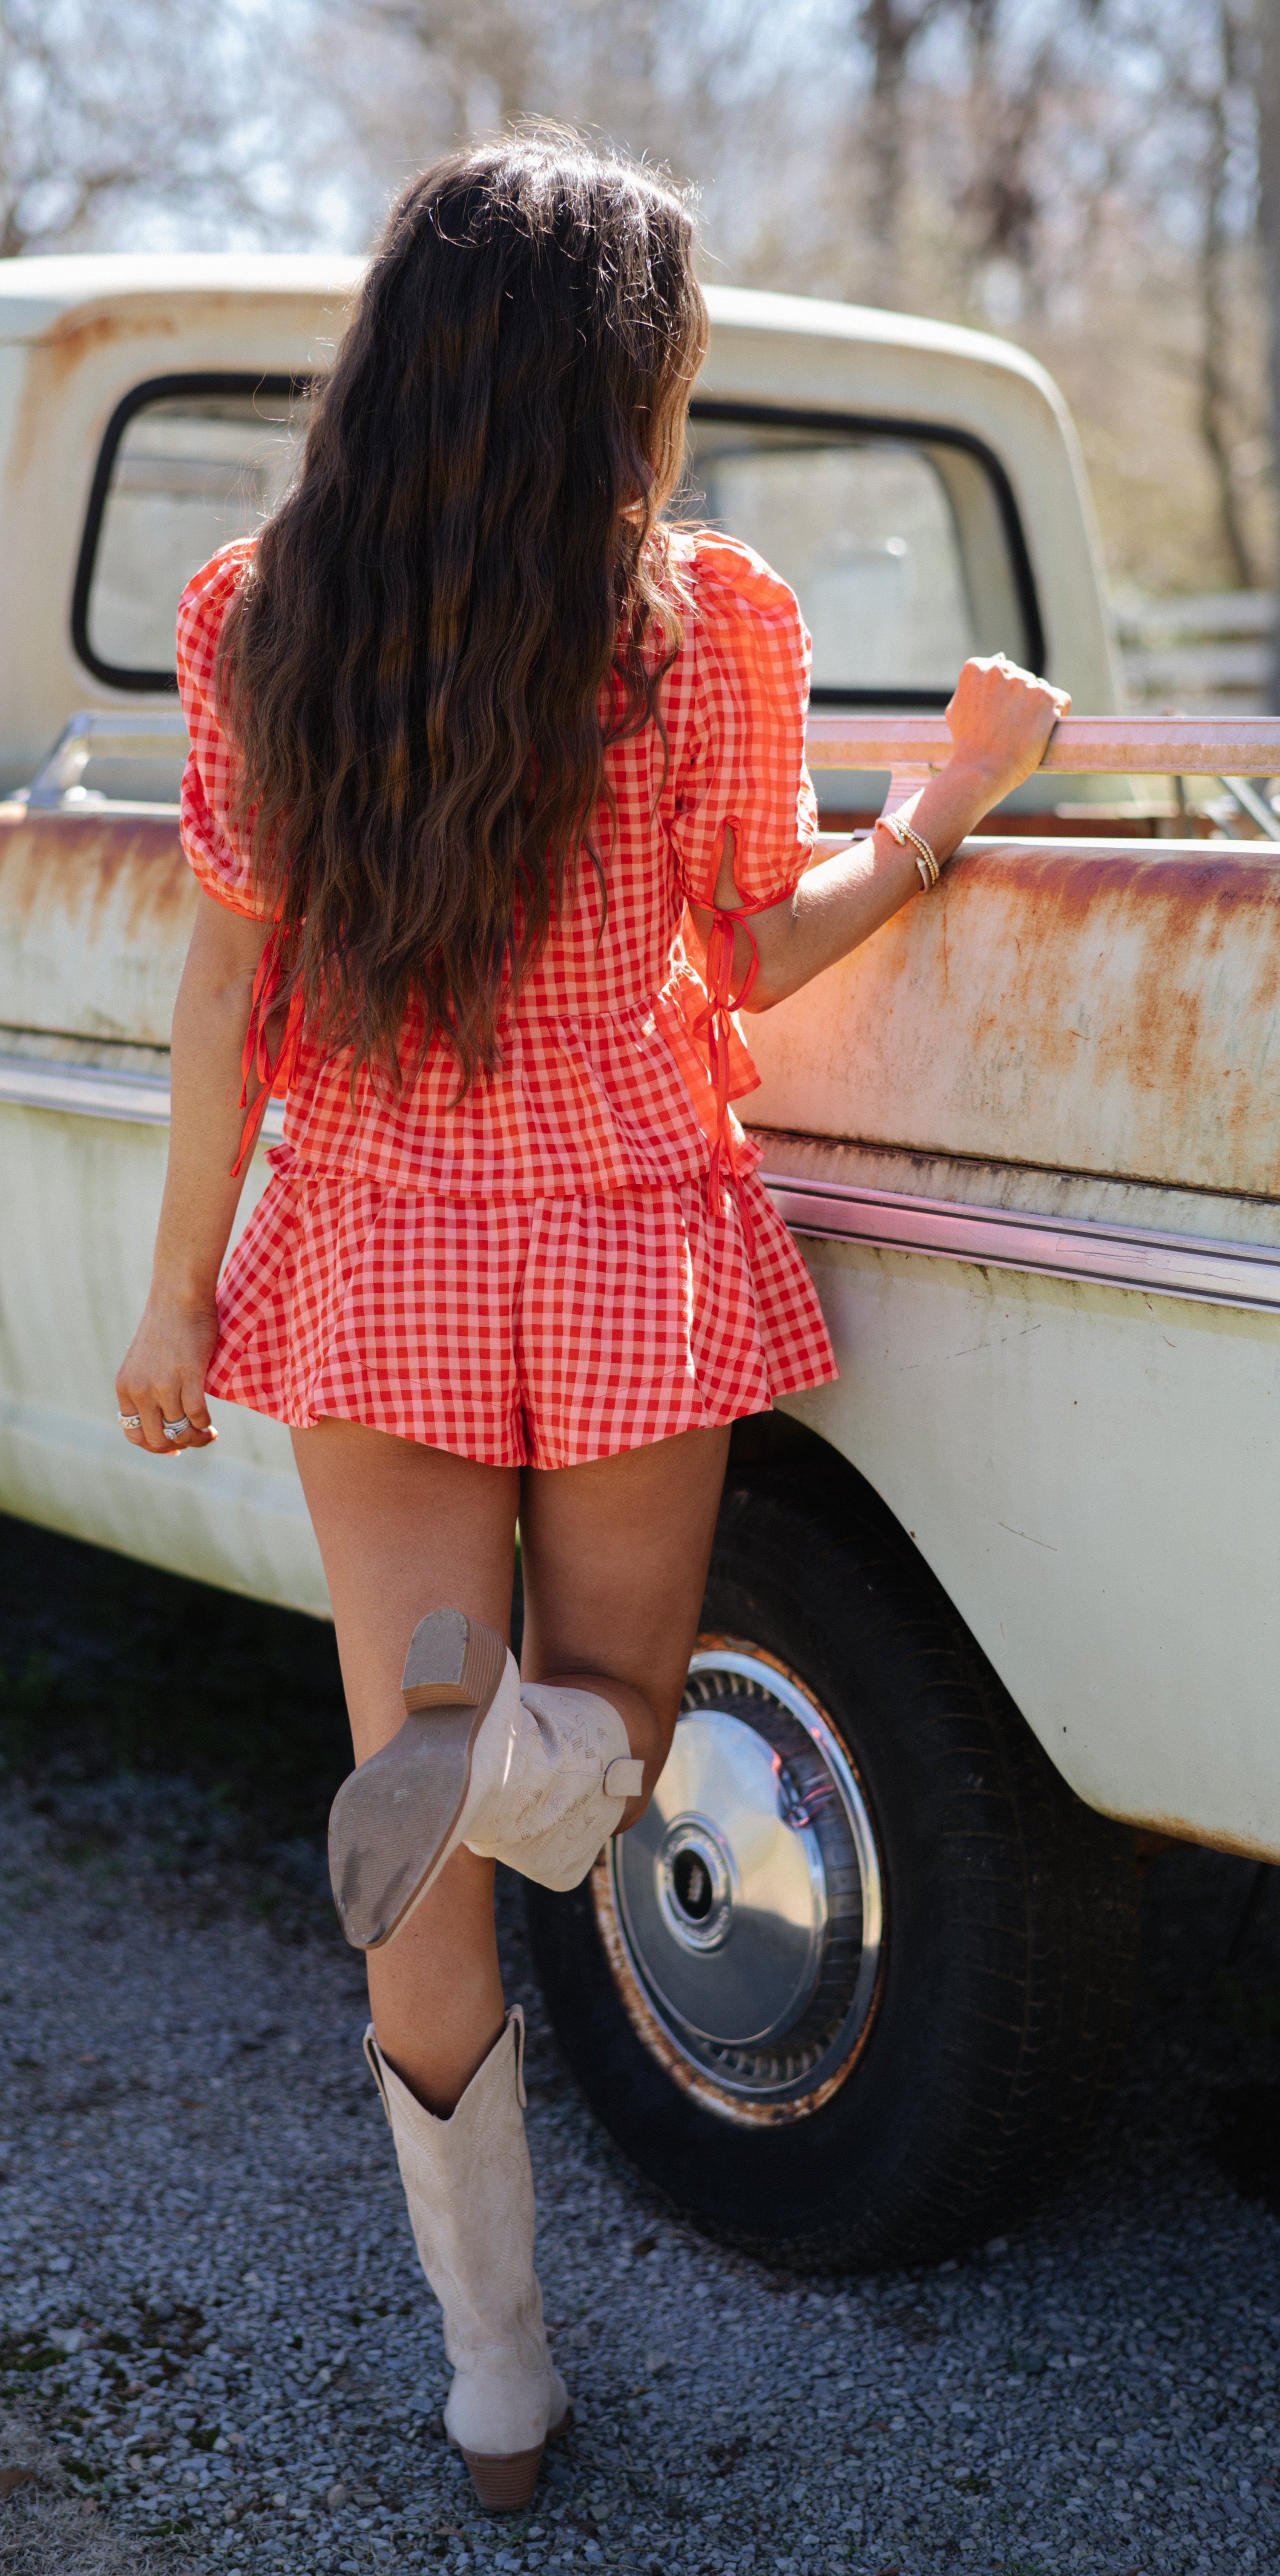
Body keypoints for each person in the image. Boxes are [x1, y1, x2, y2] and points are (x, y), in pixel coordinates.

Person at [115, 131, 1067, 2513]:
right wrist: (947, 796)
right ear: (617, 391)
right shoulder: (706, 620)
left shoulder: (256, 617)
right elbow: (740, 951)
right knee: (622, 1745)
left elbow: (228, 982)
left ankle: (498, 2387)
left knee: (415, 1855)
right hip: (630, 1223)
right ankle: (504, 1754)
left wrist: (168, 1300)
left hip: (368, 1251)